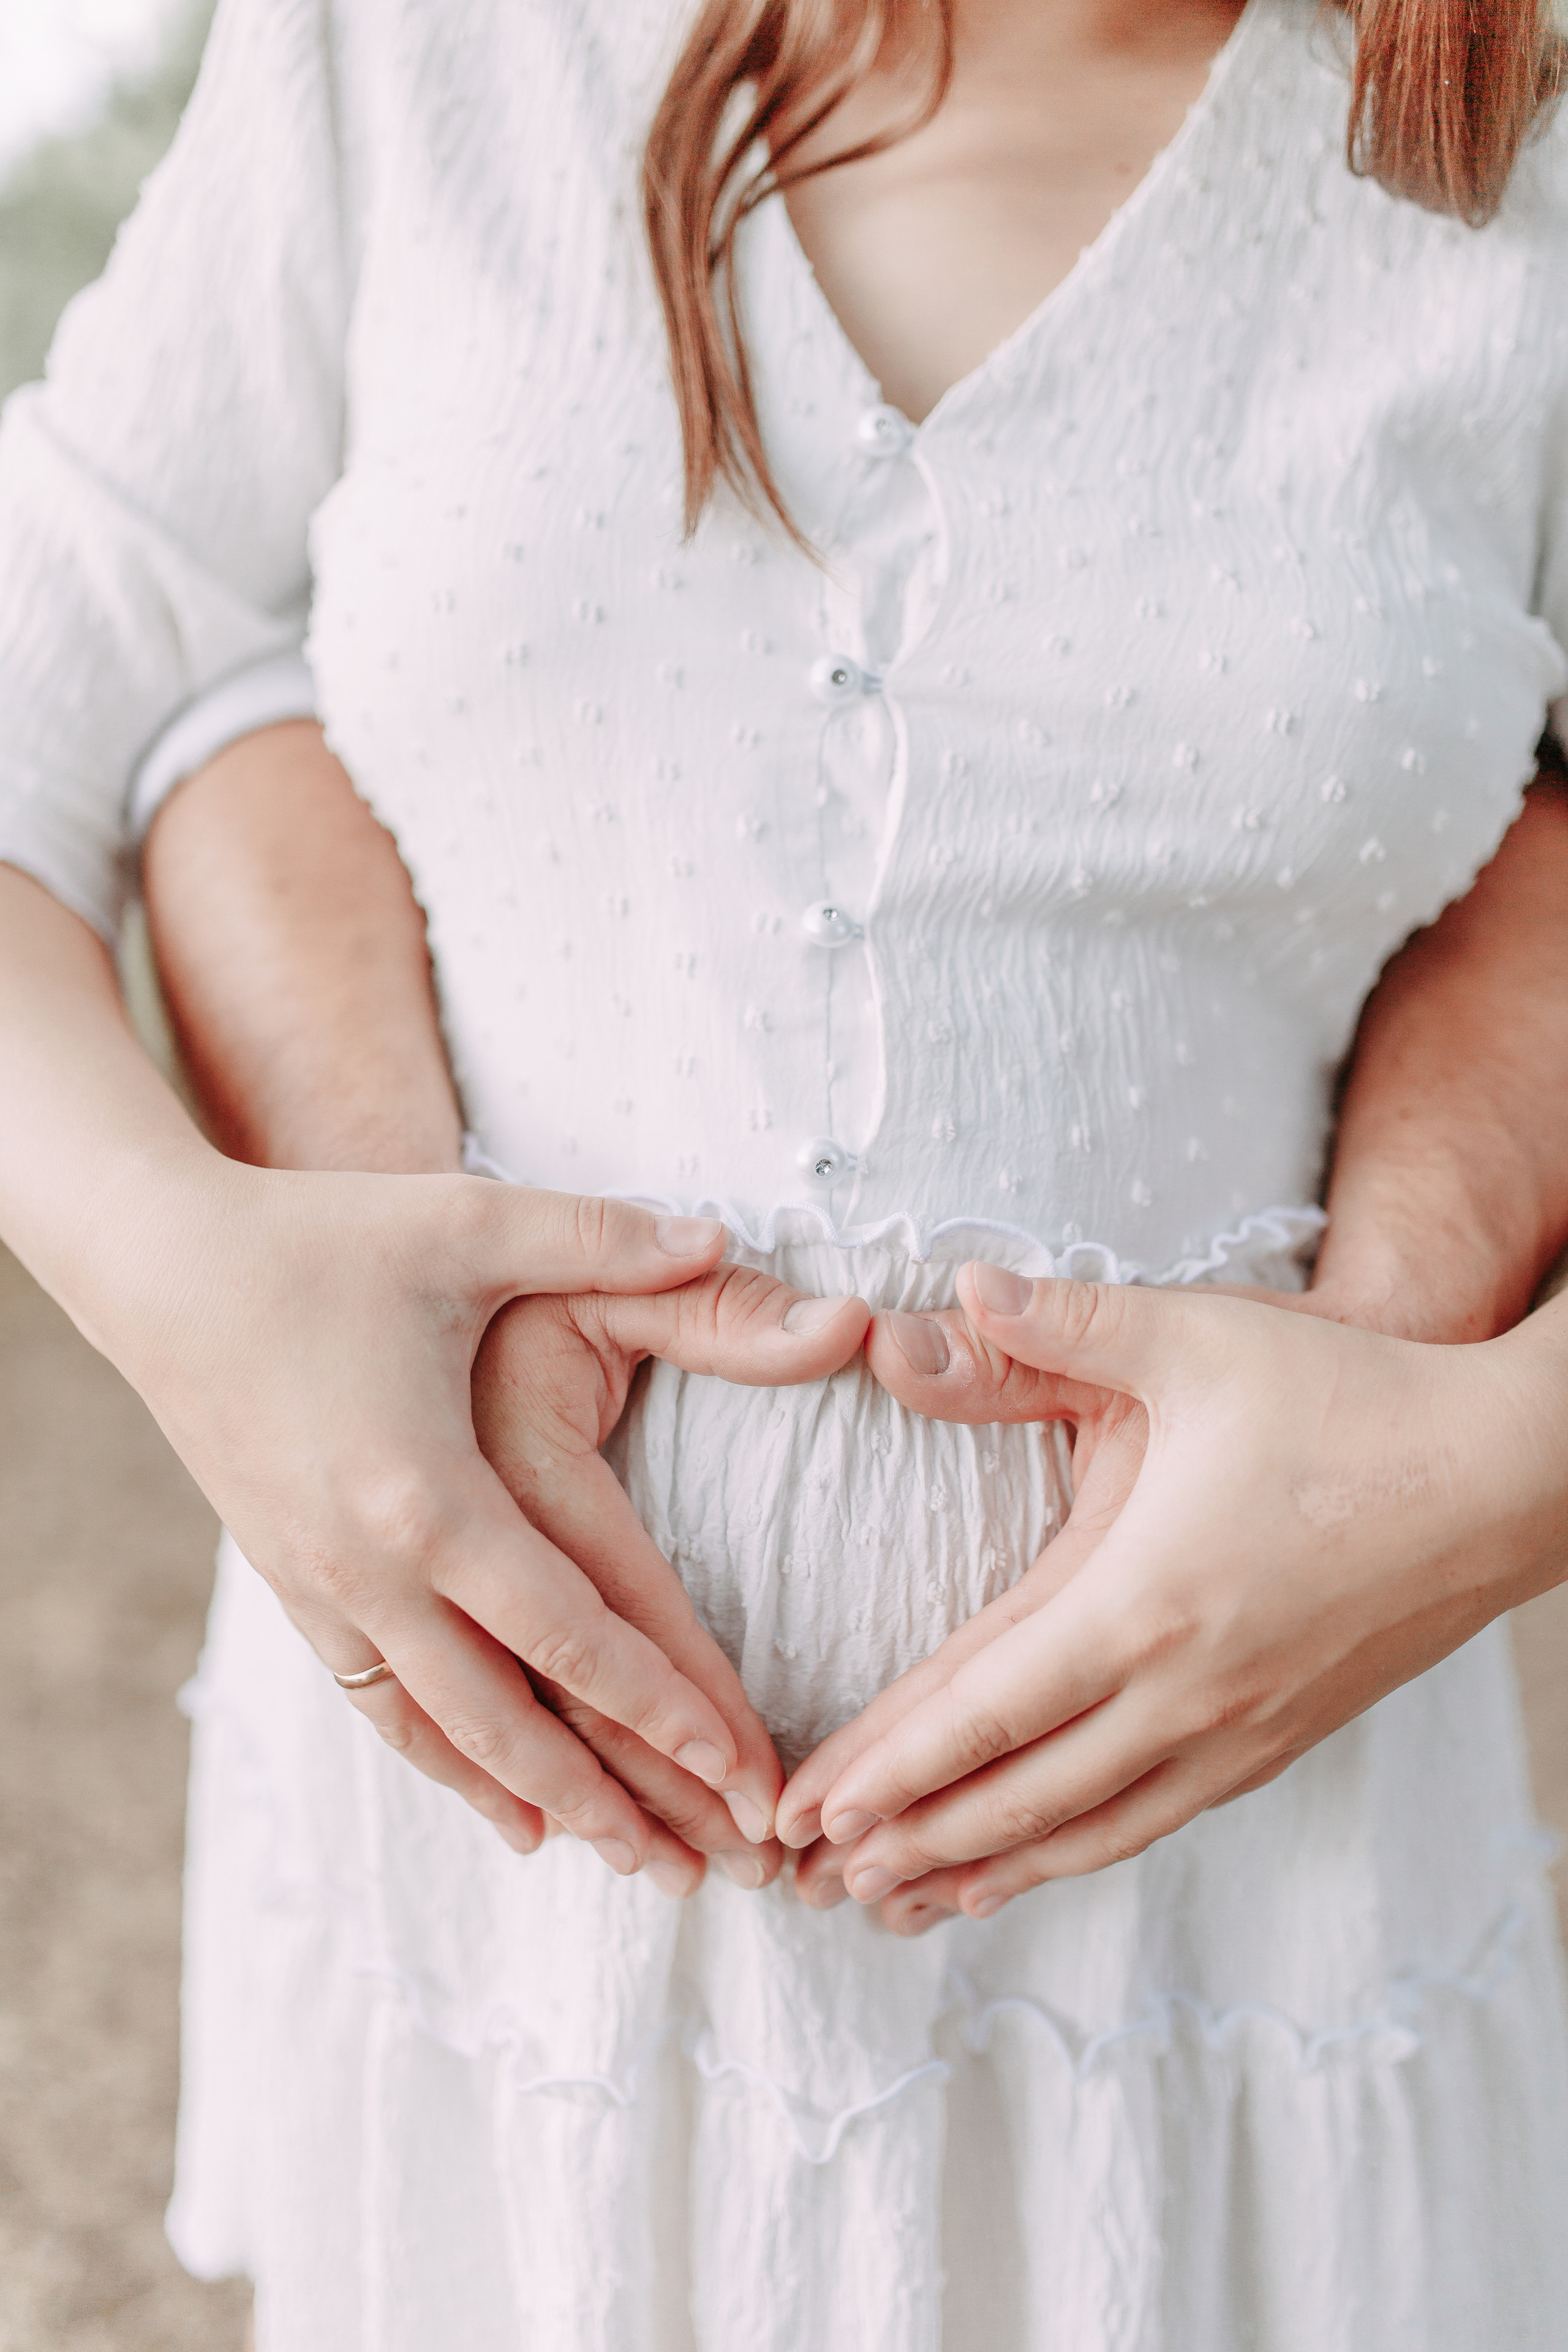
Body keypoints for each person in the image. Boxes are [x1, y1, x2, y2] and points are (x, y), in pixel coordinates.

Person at [2, 0, 1568, 2342]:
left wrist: (1503, 1468)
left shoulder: (1522, 168)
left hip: (1243, 1941)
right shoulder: (413, 48)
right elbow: (82, 645)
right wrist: (191, 1280)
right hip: (501, 1933)